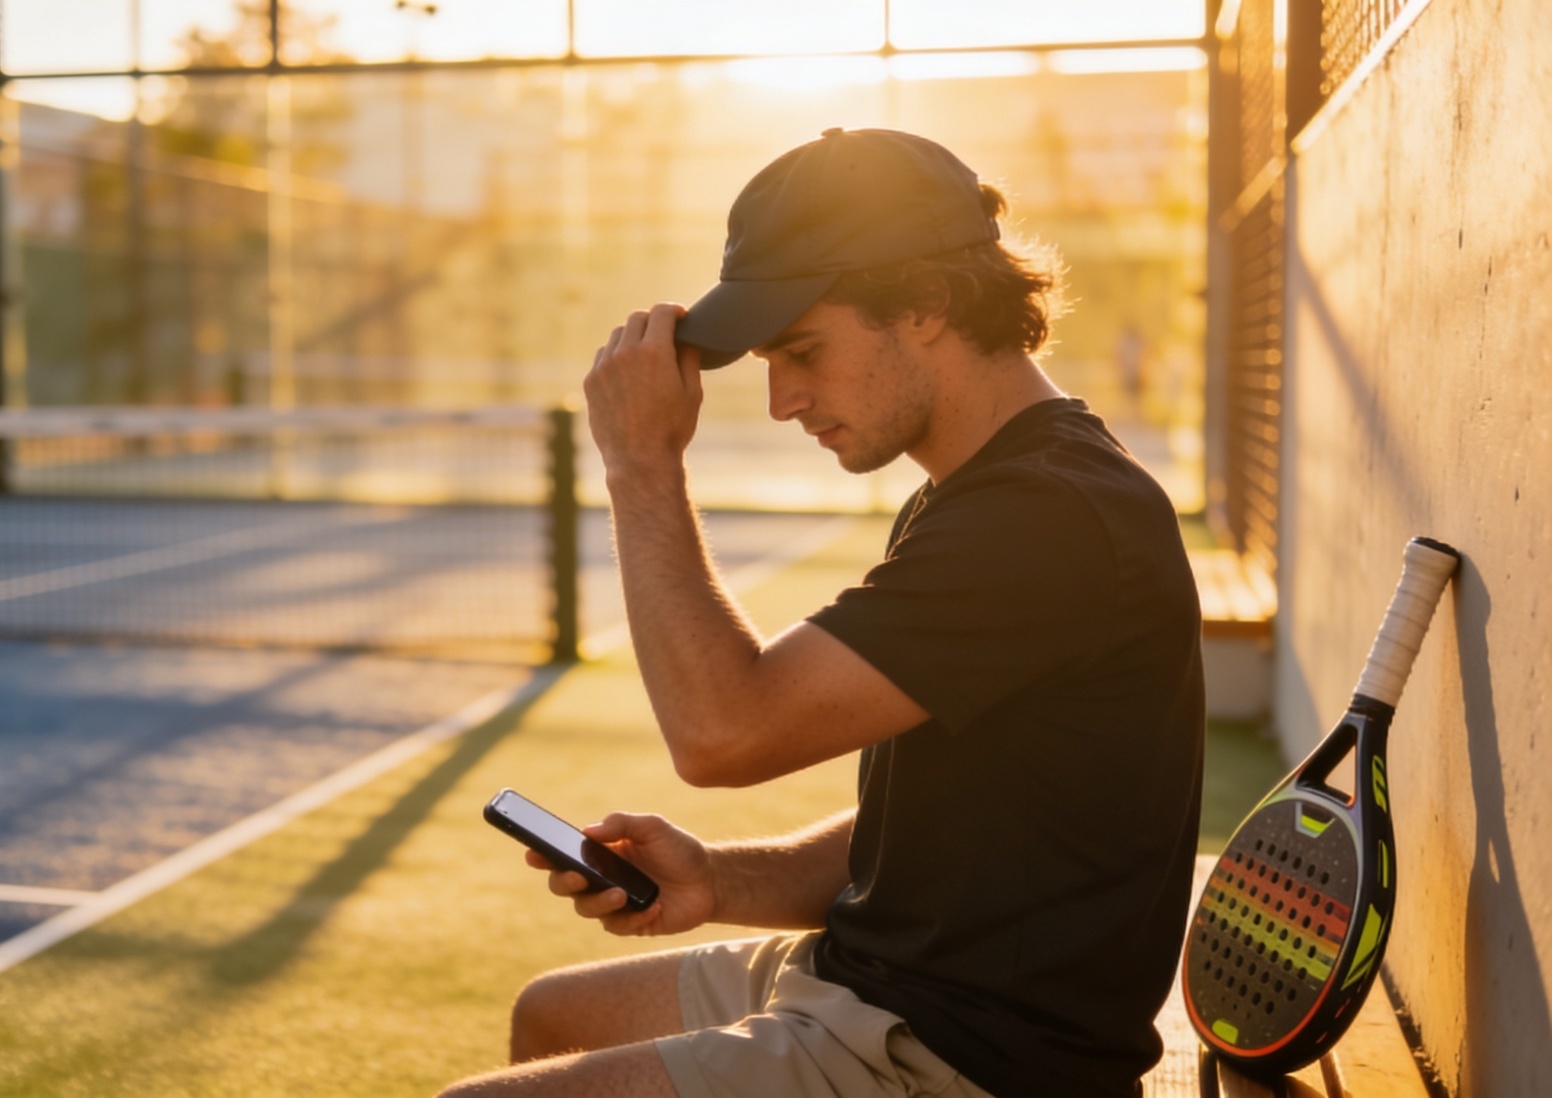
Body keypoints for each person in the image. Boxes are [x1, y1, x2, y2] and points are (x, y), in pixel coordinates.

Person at [440, 127, 1204, 1098]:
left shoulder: (1044, 517)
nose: (780, 399)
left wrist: (642, 464)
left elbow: (723, 734)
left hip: (970, 1055)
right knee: (553, 1015)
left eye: (802, 351)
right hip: (874, 985)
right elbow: (945, 827)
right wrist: (717, 877)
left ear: (926, 302)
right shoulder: (982, 487)